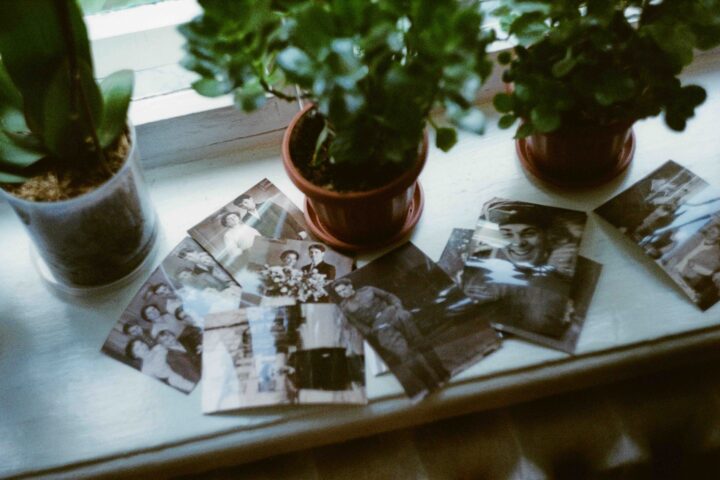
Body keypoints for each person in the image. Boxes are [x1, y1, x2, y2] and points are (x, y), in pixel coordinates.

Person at [464, 202, 577, 338]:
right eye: (507, 235)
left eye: (529, 233)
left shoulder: (564, 268)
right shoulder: (481, 272)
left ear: (546, 236)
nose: (518, 242)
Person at [333, 279, 448, 392]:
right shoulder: (345, 308)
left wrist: (398, 307)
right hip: (382, 328)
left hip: (396, 315)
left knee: (422, 344)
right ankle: (430, 384)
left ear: (350, 286)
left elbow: (389, 296)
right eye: (339, 292)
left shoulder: (368, 289)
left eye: (343, 289)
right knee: (404, 354)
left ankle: (442, 373)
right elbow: (357, 324)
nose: (342, 293)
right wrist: (373, 331)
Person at [668, 223, 720, 306]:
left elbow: (710, 272)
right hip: (671, 267)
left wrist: (694, 266)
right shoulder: (696, 237)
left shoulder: (716, 253)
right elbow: (679, 250)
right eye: (710, 229)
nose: (709, 232)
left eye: (713, 232)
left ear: (718, 237)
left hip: (685, 278)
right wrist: (670, 261)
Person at [125, 338, 195, 393]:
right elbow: (160, 387)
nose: (142, 348)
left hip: (190, 366)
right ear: (135, 356)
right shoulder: (146, 370)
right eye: (137, 349)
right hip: (181, 381)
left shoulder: (159, 347)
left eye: (142, 344)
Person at [233, 194, 307, 240]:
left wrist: (300, 230)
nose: (245, 206)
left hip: (290, 234)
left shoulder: (266, 204)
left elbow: (286, 216)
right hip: (276, 241)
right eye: (241, 206)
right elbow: (259, 233)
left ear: (251, 199)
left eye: (245, 202)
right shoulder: (245, 219)